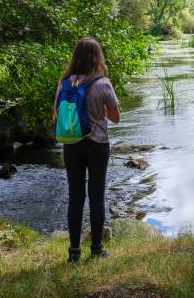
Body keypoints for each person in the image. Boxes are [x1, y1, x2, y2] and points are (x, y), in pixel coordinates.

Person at [53, 37, 120, 263]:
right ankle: (96, 249)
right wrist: (101, 108)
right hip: (97, 144)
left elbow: (58, 112)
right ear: (97, 57)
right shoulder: (103, 84)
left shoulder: (64, 83)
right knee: (97, 195)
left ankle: (73, 253)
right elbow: (116, 118)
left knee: (75, 195)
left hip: (71, 144)